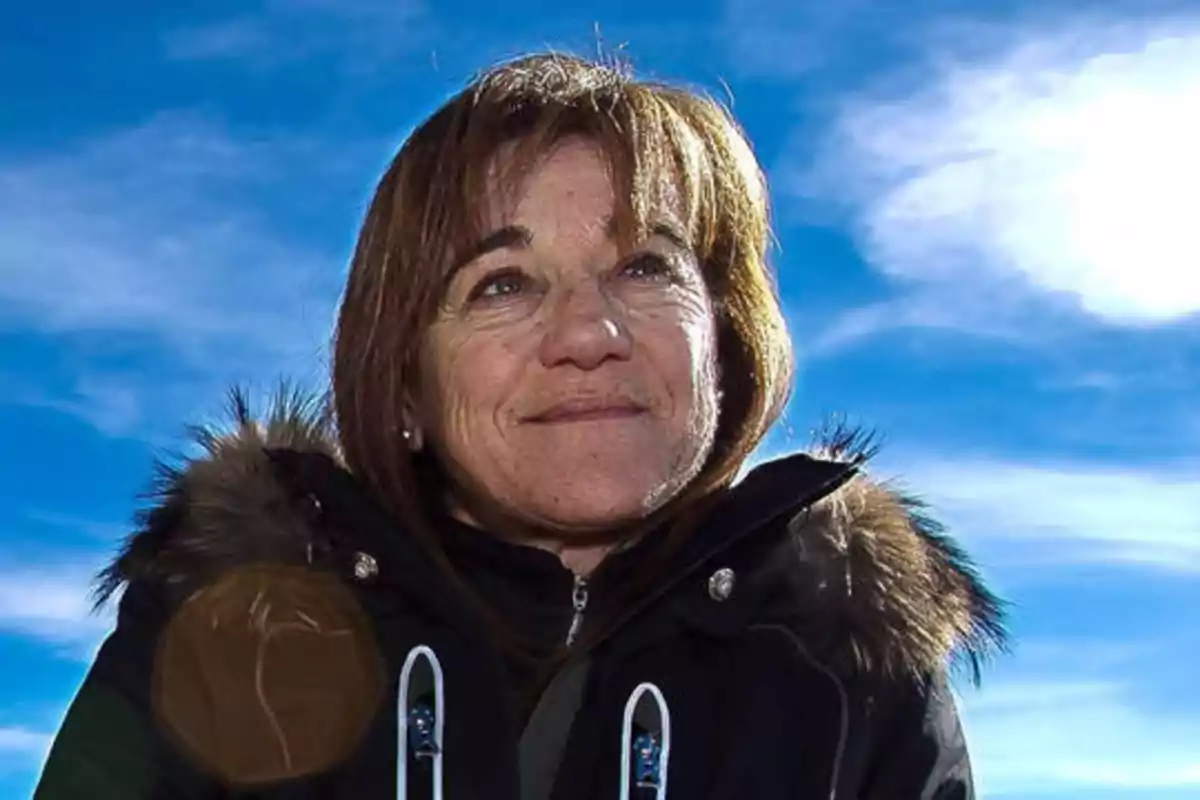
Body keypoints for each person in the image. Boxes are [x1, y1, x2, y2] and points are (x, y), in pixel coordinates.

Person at [35, 51, 1006, 800]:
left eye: (646, 266)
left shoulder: (849, 657)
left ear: (727, 342)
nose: (590, 331)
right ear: (404, 383)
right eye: (502, 282)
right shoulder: (224, 631)